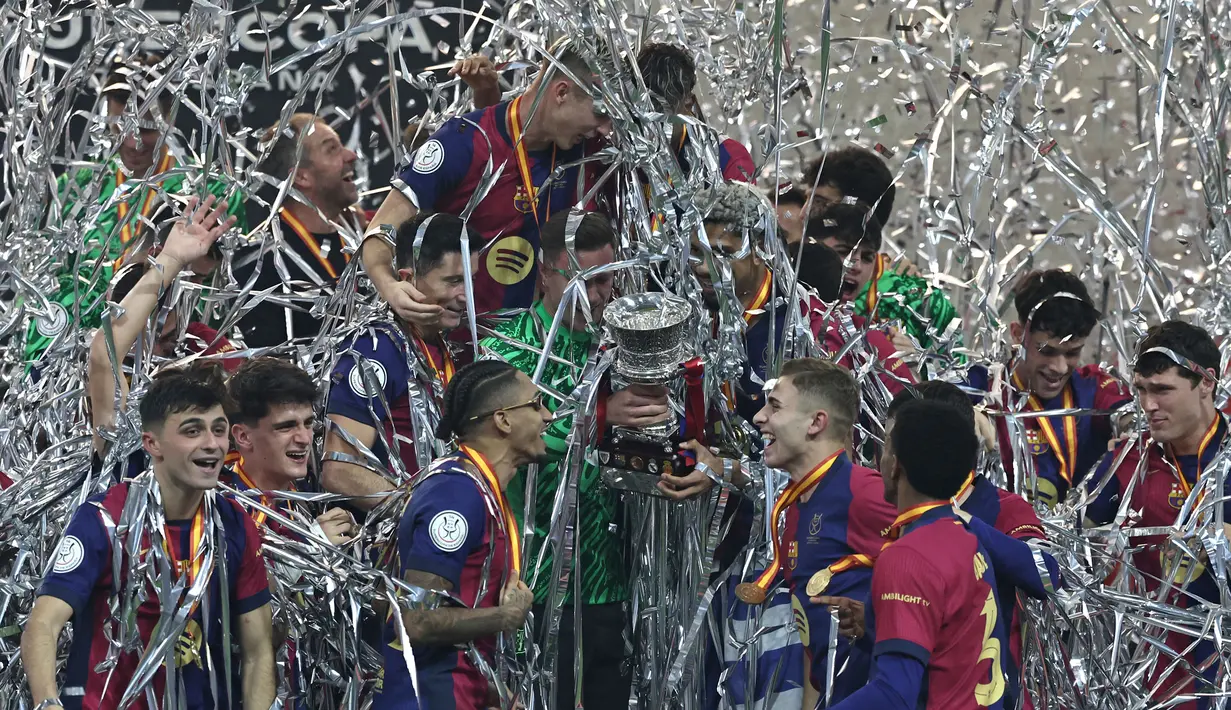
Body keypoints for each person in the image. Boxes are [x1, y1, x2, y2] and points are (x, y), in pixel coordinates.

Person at [479, 211, 666, 709]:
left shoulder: (624, 351)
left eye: (607, 281)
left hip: (612, 578)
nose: (599, 296)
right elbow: (510, 441)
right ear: (545, 272)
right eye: (585, 281)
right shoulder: (505, 350)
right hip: (535, 583)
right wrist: (599, 417)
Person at [21, 363, 275, 710]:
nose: (213, 444)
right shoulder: (106, 519)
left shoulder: (234, 524)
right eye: (192, 431)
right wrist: (47, 702)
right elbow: (44, 624)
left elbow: (258, 651)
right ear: (152, 443)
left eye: (219, 429)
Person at [361, 40, 611, 325]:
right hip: (467, 351)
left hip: (549, 349)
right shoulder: (463, 142)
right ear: (562, 92)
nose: (604, 129)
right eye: (600, 113)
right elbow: (379, 231)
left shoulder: (588, 151)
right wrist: (389, 287)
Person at [28, 54, 245, 365]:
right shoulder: (73, 188)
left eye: (146, 130)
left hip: (178, 361)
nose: (132, 143)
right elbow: (46, 287)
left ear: (169, 118)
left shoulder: (210, 191)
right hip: (85, 363)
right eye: (122, 125)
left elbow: (222, 292)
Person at [714, 358, 898, 704]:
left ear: (816, 422)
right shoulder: (797, 506)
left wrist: (875, 616)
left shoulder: (864, 491)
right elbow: (815, 641)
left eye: (775, 406)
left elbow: (949, 562)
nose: (759, 418)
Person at [373, 361, 550, 710]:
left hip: (458, 691)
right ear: (503, 420)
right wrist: (507, 617)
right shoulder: (456, 495)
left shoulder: (479, 488)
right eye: (536, 404)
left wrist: (489, 689)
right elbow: (416, 622)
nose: (547, 416)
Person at [822, 400, 1010, 710]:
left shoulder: (908, 556)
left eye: (884, 450)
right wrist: (874, 621)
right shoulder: (967, 539)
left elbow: (894, 694)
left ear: (896, 465)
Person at [1085, 320, 1228, 710]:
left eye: (1163, 390)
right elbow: (1076, 543)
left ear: (1206, 383)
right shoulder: (1129, 460)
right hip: (1152, 677)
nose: (1148, 406)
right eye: (1142, 390)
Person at [685, 182, 913, 427]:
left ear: (761, 249)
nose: (703, 267)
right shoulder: (687, 317)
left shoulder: (817, 332)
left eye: (723, 253)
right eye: (697, 251)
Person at [322, 213, 479, 510]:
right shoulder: (375, 350)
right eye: (454, 281)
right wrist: (422, 513)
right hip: (391, 545)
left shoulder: (448, 345)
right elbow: (340, 469)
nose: (466, 296)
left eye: (472, 281)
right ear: (409, 279)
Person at [86, 196, 239, 470]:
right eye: (139, 342)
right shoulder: (115, 414)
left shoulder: (200, 346)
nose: (153, 356)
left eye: (167, 344)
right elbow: (104, 354)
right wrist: (172, 259)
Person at [969, 269, 1131, 508]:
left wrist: (1131, 426)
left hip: (1076, 540)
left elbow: (1130, 415)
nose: (1059, 367)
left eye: (1072, 352)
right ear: (1017, 334)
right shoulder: (982, 384)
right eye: (1047, 351)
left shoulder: (1092, 387)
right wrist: (960, 411)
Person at [802, 147, 963, 349]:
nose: (803, 214)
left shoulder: (919, 302)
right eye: (806, 199)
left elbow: (963, 374)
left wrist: (915, 369)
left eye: (819, 203)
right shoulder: (786, 281)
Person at [237, 113, 363, 347]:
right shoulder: (262, 266)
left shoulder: (368, 239)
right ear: (301, 176)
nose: (351, 155)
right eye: (332, 149)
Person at [225, 356, 357, 543]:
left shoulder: (309, 493)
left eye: (308, 423)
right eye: (286, 427)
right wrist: (312, 544)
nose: (304, 439)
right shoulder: (226, 514)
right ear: (244, 437)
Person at [805, 201, 958, 351]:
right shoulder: (787, 307)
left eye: (867, 258)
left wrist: (914, 367)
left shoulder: (871, 332)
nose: (856, 266)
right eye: (844, 252)